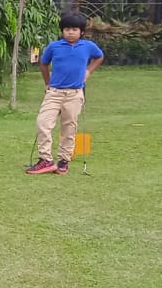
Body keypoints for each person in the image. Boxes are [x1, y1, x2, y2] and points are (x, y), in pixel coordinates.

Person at [27, 12, 104, 176]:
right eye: (67, 29)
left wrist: (88, 71)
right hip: (54, 92)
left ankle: (63, 161)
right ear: (62, 31)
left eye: (74, 29)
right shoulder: (54, 46)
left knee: (69, 127)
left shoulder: (88, 46)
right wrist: (47, 83)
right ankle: (45, 160)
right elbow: (44, 63)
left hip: (75, 94)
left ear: (81, 31)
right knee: (43, 123)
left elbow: (99, 57)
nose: (70, 32)